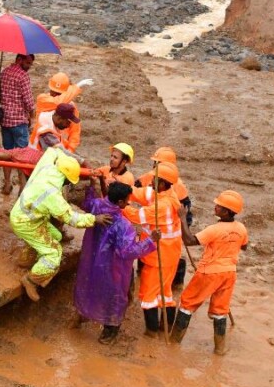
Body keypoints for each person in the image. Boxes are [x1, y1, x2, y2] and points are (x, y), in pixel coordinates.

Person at [11, 147, 111, 301]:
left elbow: (54, 150)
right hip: (26, 222)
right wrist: (94, 219)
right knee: (54, 253)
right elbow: (71, 218)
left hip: (25, 214)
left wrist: (77, 160)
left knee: (56, 235)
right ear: (65, 179)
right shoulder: (52, 194)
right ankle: (31, 279)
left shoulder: (48, 165)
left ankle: (26, 258)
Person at [74, 180, 157, 344]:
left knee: (88, 286)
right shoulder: (123, 225)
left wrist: (92, 186)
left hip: (91, 262)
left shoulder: (96, 206)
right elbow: (128, 252)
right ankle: (110, 331)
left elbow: (87, 201)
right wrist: (150, 241)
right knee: (116, 296)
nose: (129, 202)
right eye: (127, 200)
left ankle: (82, 315)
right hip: (114, 268)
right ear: (120, 202)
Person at [169, 190, 248, 355]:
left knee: (187, 304)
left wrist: (183, 218)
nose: (215, 207)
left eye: (219, 206)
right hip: (229, 273)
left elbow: (189, 241)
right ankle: (220, 349)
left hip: (209, 272)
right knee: (220, 310)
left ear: (226, 211)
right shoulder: (241, 228)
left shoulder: (214, 229)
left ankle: (173, 343)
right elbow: (244, 246)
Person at [123, 161, 183, 335]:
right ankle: (167, 328)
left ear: (162, 183)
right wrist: (120, 186)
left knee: (148, 295)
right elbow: (140, 193)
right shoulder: (167, 194)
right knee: (165, 293)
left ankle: (151, 332)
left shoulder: (163, 206)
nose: (151, 182)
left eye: (154, 179)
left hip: (159, 258)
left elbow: (136, 215)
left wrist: (120, 206)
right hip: (169, 255)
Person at [136, 147, 192, 286]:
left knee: (171, 252)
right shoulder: (149, 176)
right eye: (155, 163)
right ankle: (143, 274)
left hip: (170, 223)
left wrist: (181, 224)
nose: (154, 166)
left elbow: (185, 208)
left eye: (157, 163)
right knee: (148, 249)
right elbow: (136, 186)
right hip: (153, 217)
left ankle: (174, 283)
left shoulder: (178, 186)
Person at [28, 72, 93, 152]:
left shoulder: (71, 108)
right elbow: (58, 102)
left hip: (61, 150)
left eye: (59, 93)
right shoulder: (43, 99)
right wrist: (76, 87)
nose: (54, 94)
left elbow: (75, 133)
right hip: (38, 150)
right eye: (53, 91)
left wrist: (70, 150)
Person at [0, 53, 35, 149]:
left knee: (7, 152)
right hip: (19, 121)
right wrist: (32, 116)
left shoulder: (4, 72)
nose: (29, 66)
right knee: (21, 155)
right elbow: (29, 101)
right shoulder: (23, 76)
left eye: (30, 64)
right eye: (27, 63)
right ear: (19, 59)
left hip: (5, 120)